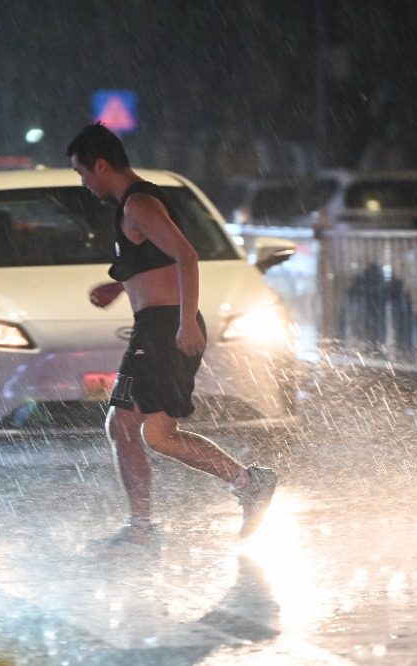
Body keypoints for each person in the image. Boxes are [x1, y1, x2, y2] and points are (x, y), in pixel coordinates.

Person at [67, 123, 277, 541]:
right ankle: (249, 482)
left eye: (82, 172)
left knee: (122, 427)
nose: (84, 183)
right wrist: (119, 283)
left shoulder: (137, 204)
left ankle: (141, 527)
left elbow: (186, 254)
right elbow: (155, 262)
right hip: (159, 325)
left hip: (163, 329)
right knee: (159, 436)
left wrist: (184, 322)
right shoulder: (134, 204)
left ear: (102, 165)